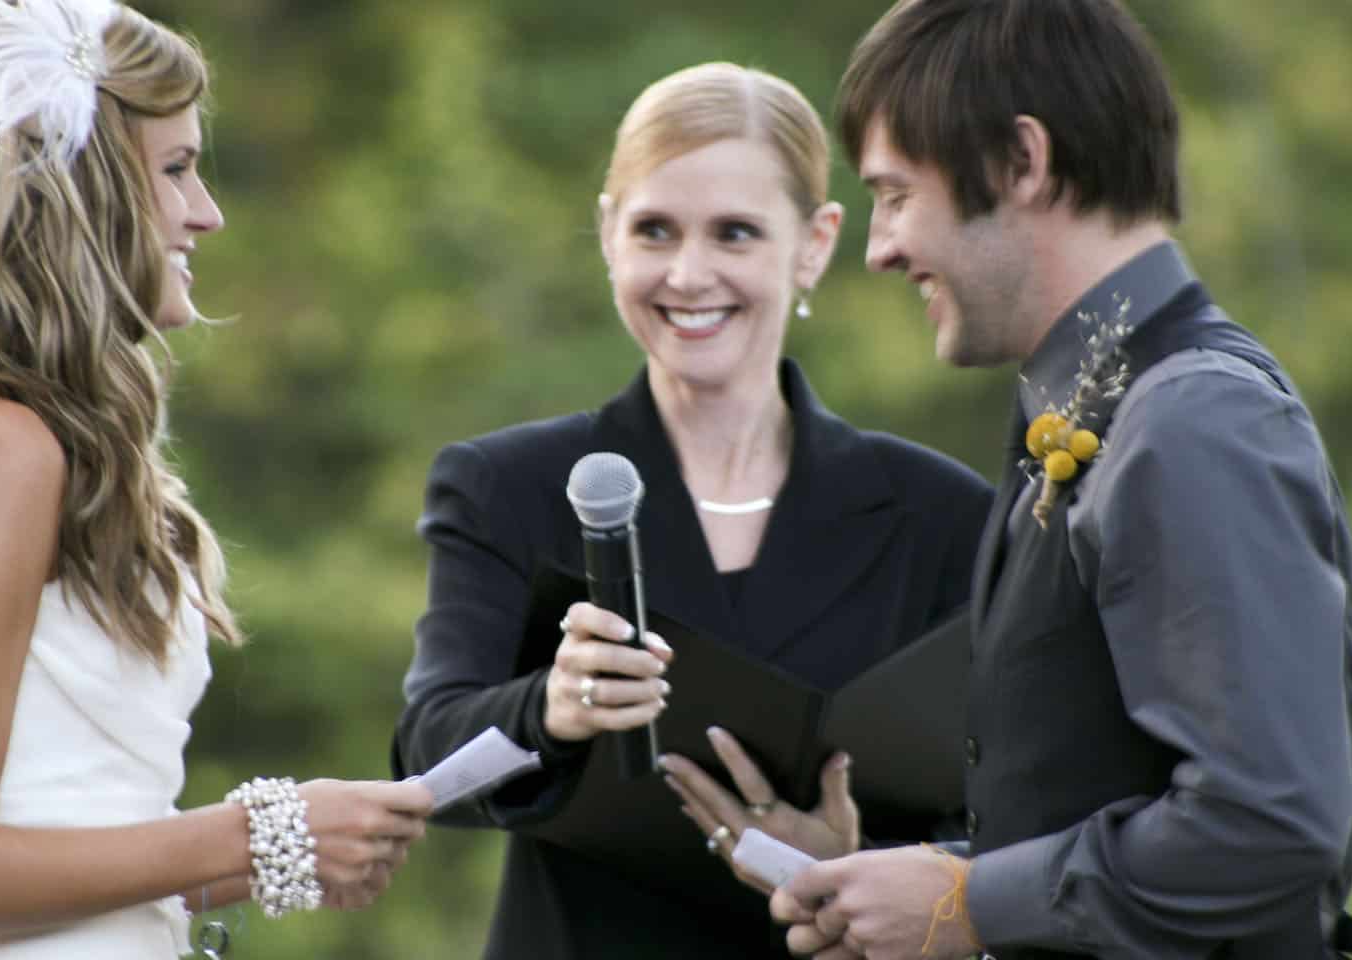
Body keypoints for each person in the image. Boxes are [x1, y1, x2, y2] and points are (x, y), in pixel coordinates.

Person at [769, 1, 1352, 959]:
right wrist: (904, 887)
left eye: (894, 194)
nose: (878, 247)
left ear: (1021, 162)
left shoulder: (1191, 421)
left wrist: (971, 904)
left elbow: (1269, 831)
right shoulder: (1088, 403)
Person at [391, 61, 993, 958]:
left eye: (735, 233)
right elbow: (426, 770)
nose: (688, 272)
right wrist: (549, 709)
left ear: (816, 242)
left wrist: (849, 860)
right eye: (655, 230)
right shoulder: (504, 485)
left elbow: (1005, 820)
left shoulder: (943, 513)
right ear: (608, 233)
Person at [0, 2, 434, 956]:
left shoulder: (55, 444)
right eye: (176, 169)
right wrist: (258, 827)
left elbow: (61, 818)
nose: (207, 212)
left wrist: (283, 849)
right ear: (80, 193)